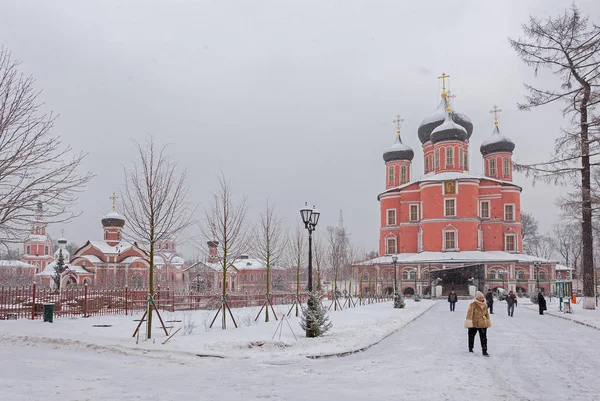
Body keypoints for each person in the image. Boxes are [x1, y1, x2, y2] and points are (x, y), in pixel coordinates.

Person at [464, 291, 491, 357]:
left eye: (482, 297)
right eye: (480, 297)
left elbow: (487, 313)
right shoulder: (473, 305)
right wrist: (469, 322)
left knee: (484, 337)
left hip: (482, 323)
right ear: (477, 298)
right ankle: (470, 347)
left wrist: (488, 321)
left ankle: (484, 351)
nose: (482, 299)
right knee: (471, 336)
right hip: (474, 323)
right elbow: (469, 314)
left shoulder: (485, 304)